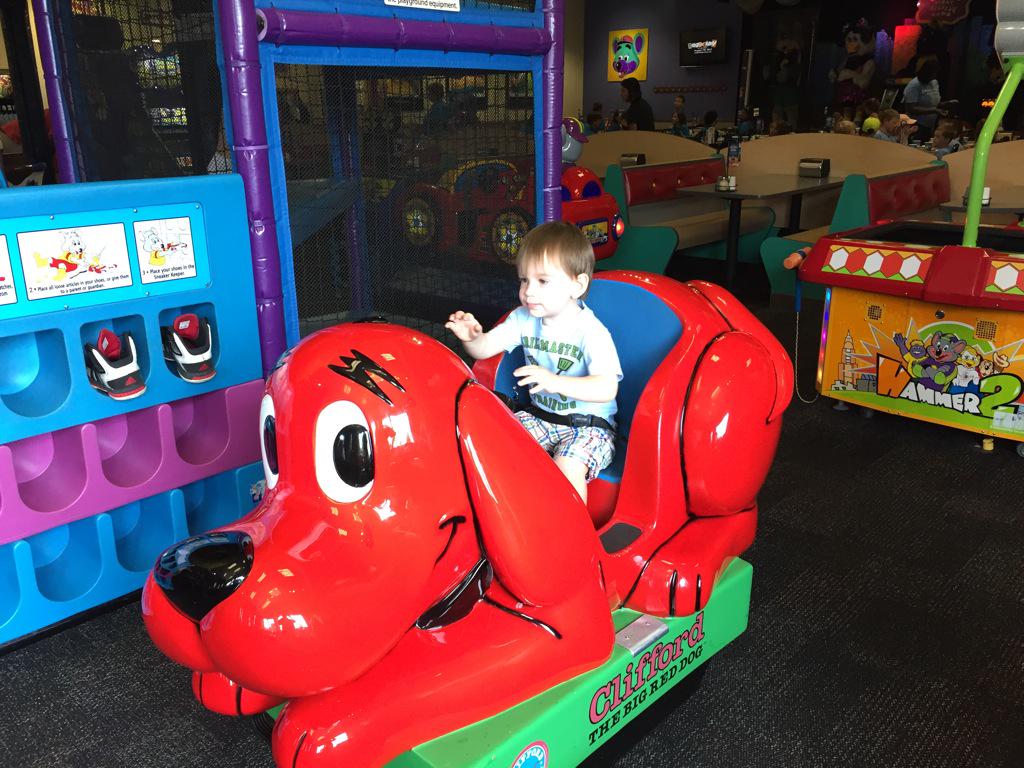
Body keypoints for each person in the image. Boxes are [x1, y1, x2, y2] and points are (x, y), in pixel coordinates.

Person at [446, 221, 622, 503]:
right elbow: (485, 348)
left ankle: (571, 539)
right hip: (540, 418)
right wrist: (472, 338)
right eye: (524, 280)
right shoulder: (522, 318)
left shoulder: (591, 332)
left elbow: (606, 388)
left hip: (589, 426)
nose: (528, 292)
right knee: (489, 443)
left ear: (577, 286)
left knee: (567, 467)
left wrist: (554, 382)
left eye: (542, 281)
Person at [902, 59, 953, 141]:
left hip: (931, 124)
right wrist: (934, 110)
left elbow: (934, 102)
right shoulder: (914, 85)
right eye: (933, 73)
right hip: (916, 125)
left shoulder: (934, 82)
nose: (934, 76)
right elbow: (911, 108)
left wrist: (945, 104)